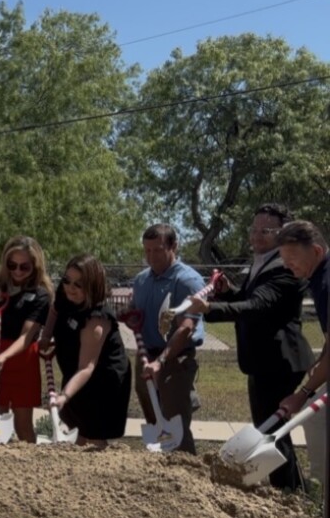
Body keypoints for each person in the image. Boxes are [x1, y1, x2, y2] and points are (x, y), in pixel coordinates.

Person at [188, 204, 315, 490]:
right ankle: (293, 490)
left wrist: (210, 307)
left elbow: (259, 305)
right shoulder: (264, 260)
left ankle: (288, 493)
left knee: (271, 432)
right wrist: (228, 291)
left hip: (280, 361)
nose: (256, 236)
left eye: (265, 231)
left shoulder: (285, 267)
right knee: (272, 430)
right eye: (254, 229)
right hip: (262, 360)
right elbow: (248, 296)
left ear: (283, 233)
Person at [126, 225, 206, 454]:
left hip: (175, 360)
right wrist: (130, 314)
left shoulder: (187, 281)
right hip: (146, 356)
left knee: (176, 428)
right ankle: (161, 476)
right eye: (147, 251)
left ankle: (187, 473)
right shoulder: (142, 280)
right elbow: (136, 312)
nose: (151, 257)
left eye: (158, 250)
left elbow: (185, 328)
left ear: (174, 247)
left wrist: (160, 361)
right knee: (156, 423)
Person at [40, 254, 131, 448]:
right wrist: (46, 336)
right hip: (75, 370)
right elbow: (55, 310)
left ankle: (101, 471)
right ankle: (77, 469)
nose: (70, 288)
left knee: (93, 429)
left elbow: (87, 367)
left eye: (78, 284)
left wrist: (64, 396)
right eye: (67, 280)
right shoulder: (65, 295)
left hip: (102, 379)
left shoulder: (96, 320)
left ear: (92, 286)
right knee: (77, 426)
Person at [0, 236, 53, 443]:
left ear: (34, 266)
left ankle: (30, 466)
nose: (17, 271)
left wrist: (3, 357)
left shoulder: (40, 295)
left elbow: (26, 337)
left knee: (23, 424)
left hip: (21, 357)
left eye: (24, 266)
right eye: (12, 265)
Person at [276, 221, 329, 487]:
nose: (287, 265)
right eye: (284, 260)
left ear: (317, 251)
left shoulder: (326, 283)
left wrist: (303, 393)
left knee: (315, 416)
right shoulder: (320, 276)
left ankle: (322, 487)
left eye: (293, 258)